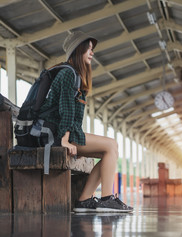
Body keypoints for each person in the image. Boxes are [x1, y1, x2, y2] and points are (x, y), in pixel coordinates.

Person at [39, 31, 133, 213]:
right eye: (88, 49)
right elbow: (65, 110)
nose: (92, 52)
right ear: (77, 49)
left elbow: (73, 115)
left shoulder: (74, 75)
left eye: (92, 49)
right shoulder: (68, 74)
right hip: (55, 136)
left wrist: (79, 145)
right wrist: (65, 141)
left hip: (61, 133)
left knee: (109, 150)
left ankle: (84, 200)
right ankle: (106, 199)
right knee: (111, 144)